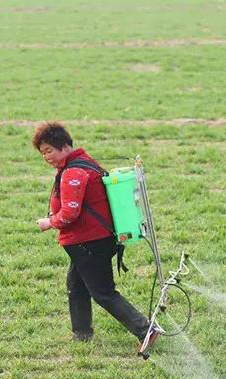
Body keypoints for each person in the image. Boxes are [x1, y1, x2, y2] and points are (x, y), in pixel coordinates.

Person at [33, 122, 161, 350]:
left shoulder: (73, 172)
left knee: (103, 292)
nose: (46, 157)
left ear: (63, 146)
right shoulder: (81, 162)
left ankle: (146, 329)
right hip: (90, 241)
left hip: (89, 242)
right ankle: (81, 333)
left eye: (49, 150)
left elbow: (69, 214)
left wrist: (49, 222)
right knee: (76, 284)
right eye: (43, 153)